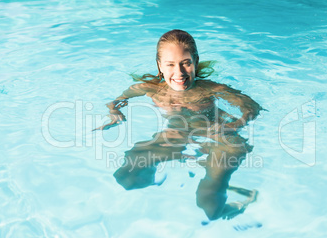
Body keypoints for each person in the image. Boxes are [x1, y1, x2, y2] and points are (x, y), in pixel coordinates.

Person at [96, 29, 263, 220]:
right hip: (177, 134)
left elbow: (252, 107)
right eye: (170, 65)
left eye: (186, 63)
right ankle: (162, 182)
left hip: (219, 139)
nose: (179, 72)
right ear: (160, 65)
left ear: (195, 61)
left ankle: (239, 196)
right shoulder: (149, 88)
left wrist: (233, 126)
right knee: (127, 176)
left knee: (209, 206)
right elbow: (118, 100)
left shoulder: (210, 89)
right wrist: (115, 113)